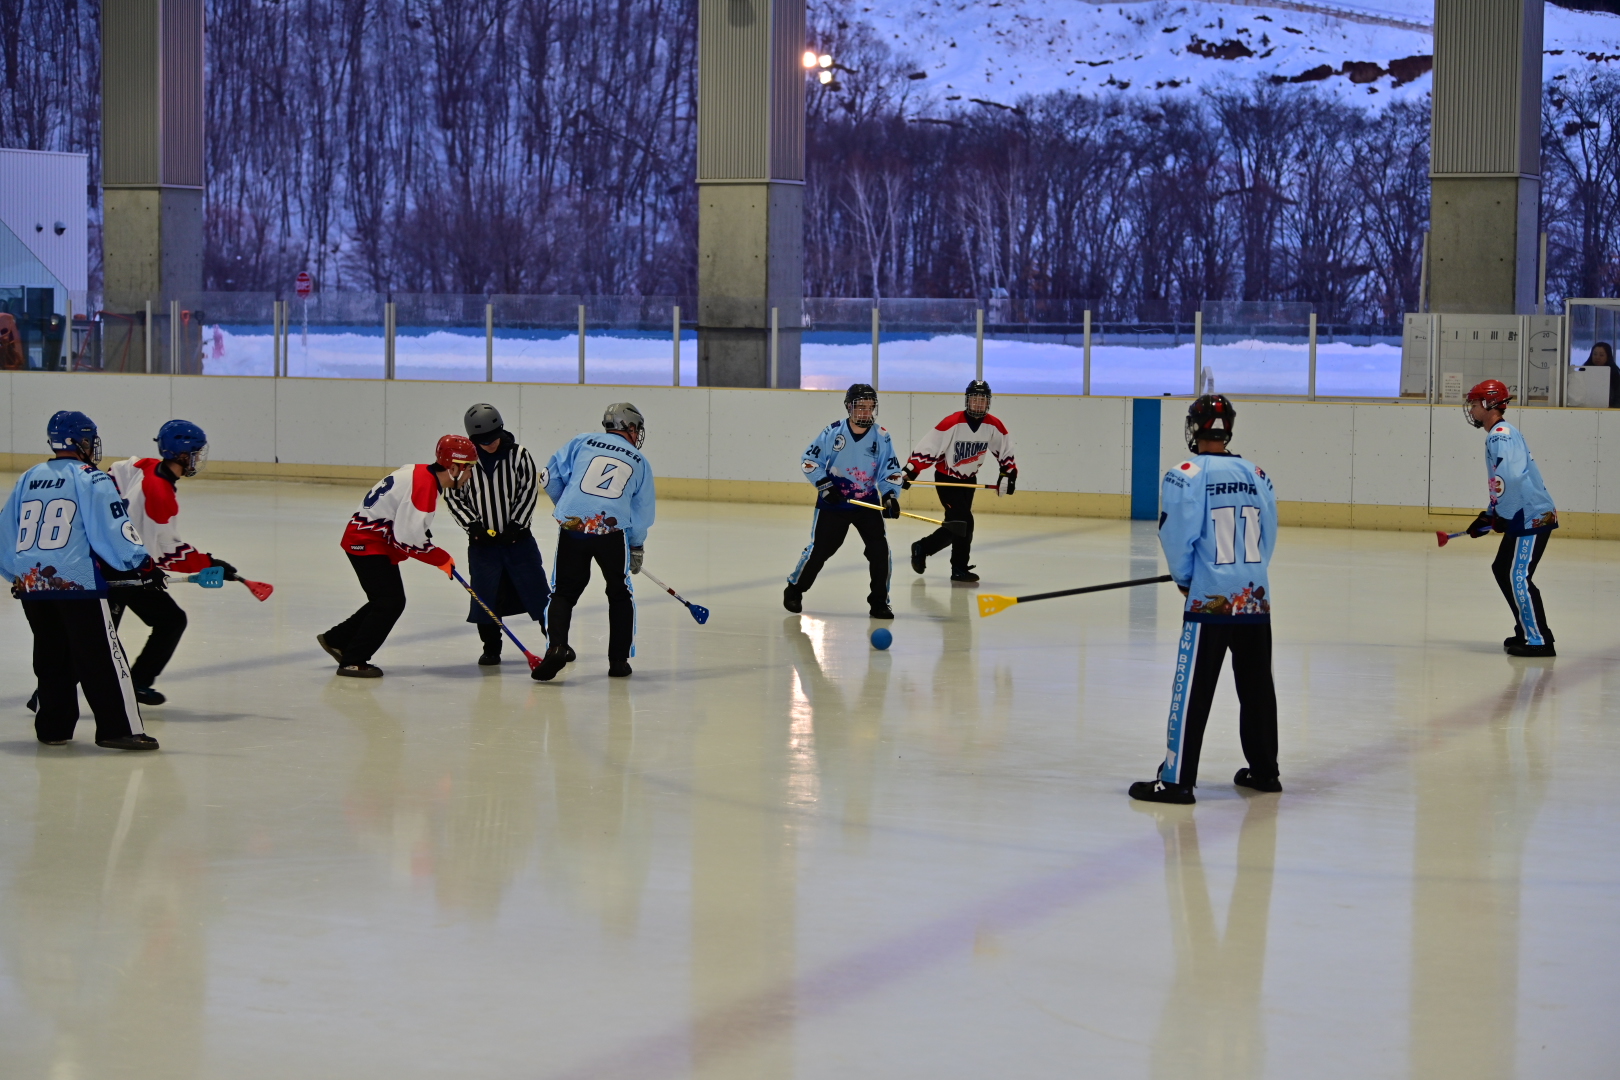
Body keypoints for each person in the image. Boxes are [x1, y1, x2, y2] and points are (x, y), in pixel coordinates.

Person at [1131, 395, 1279, 805]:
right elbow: (1269, 534)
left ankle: (1176, 780)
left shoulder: (1185, 474)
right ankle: (1265, 771)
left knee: (1193, 688)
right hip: (1254, 597)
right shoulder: (1256, 473)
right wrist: (1248, 574)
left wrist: (1185, 579)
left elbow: (1177, 534)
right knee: (1257, 687)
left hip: (1209, 600)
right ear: (1227, 428)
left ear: (1194, 428)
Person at [1, 411, 159, 750]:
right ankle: (118, 729)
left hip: (32, 582)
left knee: (51, 656)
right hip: (76, 582)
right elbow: (112, 527)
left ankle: (53, 729)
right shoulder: (90, 477)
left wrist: (17, 575)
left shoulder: (29, 476)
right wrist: (141, 564)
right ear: (82, 442)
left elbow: (5, 533)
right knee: (101, 656)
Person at [103, 420, 237, 705]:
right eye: (196, 453)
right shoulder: (161, 495)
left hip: (135, 569)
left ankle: (138, 682)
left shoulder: (147, 465)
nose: (197, 460)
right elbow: (168, 553)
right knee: (96, 640)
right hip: (115, 573)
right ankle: (47, 694)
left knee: (171, 620)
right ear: (181, 454)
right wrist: (209, 563)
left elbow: (116, 470)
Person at [317, 435, 473, 677]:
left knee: (384, 599)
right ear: (453, 467)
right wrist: (440, 558)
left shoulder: (420, 472)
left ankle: (336, 639)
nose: (470, 475)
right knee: (390, 602)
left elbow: (403, 519)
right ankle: (353, 660)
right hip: (366, 543)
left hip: (366, 539)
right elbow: (408, 538)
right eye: (469, 468)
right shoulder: (425, 487)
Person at [533, 403, 656, 682]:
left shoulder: (582, 441)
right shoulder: (639, 461)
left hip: (574, 525)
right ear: (631, 427)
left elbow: (548, 476)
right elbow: (642, 512)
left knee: (563, 592)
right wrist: (636, 546)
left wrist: (569, 512)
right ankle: (618, 661)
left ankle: (556, 648)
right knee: (619, 592)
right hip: (611, 531)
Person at [443, 403, 563, 667]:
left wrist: (517, 526)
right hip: (482, 546)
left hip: (518, 542)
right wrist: (472, 526)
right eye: (483, 441)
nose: (490, 444)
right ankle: (491, 648)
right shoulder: (463, 461)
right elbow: (452, 495)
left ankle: (556, 644)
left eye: (494, 437)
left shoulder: (520, 455)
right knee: (484, 597)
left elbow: (528, 491)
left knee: (538, 593)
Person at [784, 383, 905, 618]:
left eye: (870, 408)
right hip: (834, 504)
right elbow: (810, 460)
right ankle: (795, 589)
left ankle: (879, 602)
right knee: (821, 550)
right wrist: (825, 486)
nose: (865, 413)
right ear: (849, 408)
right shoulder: (833, 432)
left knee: (880, 551)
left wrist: (890, 495)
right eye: (860, 408)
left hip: (866, 503)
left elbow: (890, 470)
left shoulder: (882, 436)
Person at [1463, 379, 1558, 657]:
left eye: (1473, 403)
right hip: (1521, 511)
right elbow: (1501, 481)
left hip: (1529, 515)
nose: (1471, 409)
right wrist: (1490, 515)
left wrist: (1503, 514)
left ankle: (1539, 641)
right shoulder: (1499, 433)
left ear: (1487, 405)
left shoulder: (1500, 435)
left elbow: (1512, 478)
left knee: (1518, 575)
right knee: (1502, 567)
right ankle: (1528, 629)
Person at [902, 379, 1017, 583]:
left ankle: (923, 547)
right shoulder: (952, 423)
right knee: (965, 522)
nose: (978, 404)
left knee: (957, 526)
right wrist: (911, 471)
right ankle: (959, 569)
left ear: (988, 402)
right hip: (947, 479)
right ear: (967, 401)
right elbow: (929, 448)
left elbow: (1005, 451)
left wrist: (1008, 473)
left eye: (982, 400)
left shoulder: (993, 425)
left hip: (969, 481)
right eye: (975, 400)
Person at [1580, 341, 1619, 408]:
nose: (1597, 357)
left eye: (1601, 355)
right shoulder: (1583, 370)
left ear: (1608, 356)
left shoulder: (1615, 374)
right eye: (1595, 354)